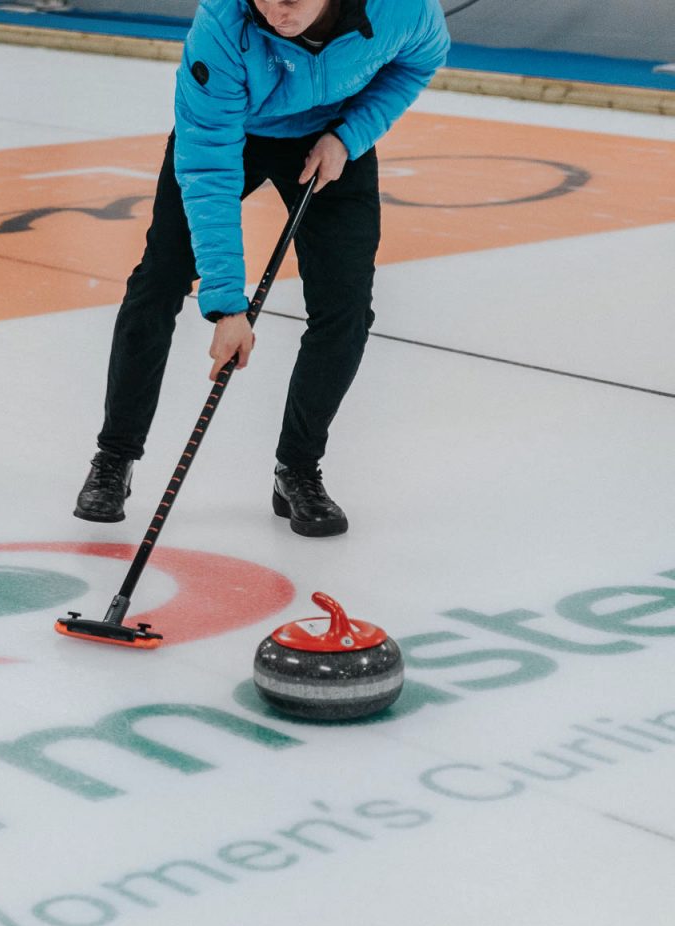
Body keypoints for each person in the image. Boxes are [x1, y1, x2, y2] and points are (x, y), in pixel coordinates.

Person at [74, 0, 450, 536]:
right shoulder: (223, 26)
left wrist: (350, 135)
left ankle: (297, 470)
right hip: (235, 135)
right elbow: (208, 165)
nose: (277, 9)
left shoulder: (402, 10)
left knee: (345, 309)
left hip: (330, 137)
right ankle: (114, 456)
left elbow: (416, 62)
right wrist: (228, 304)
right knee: (158, 280)